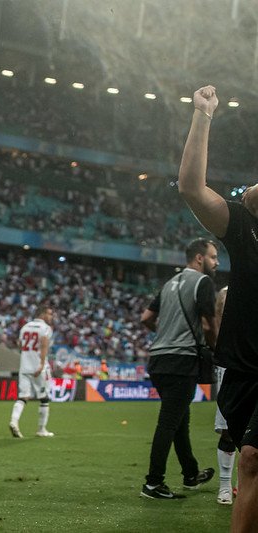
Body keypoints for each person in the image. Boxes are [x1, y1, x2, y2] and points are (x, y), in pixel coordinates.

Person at [180, 86, 258, 530]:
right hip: (243, 367)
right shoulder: (244, 224)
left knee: (250, 458)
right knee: (251, 465)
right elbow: (191, 188)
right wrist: (202, 115)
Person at [138, 238, 218, 500]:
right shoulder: (202, 282)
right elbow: (208, 326)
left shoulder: (170, 284)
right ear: (199, 258)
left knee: (179, 420)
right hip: (182, 360)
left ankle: (190, 474)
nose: (216, 262)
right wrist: (217, 350)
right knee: (169, 423)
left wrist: (165, 336)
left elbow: (146, 318)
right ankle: (153, 483)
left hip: (159, 359)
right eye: (213, 257)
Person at [9, 305, 55, 439]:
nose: (51, 317)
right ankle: (41, 429)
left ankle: (14, 421)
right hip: (39, 368)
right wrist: (41, 364)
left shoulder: (25, 327)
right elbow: (44, 344)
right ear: (42, 314)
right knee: (44, 398)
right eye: (49, 314)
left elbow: (20, 344)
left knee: (23, 397)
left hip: (24, 366)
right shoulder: (45, 328)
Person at [212, 286, 237, 506]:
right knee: (228, 430)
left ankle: (245, 483)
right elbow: (217, 325)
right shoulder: (227, 292)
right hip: (231, 365)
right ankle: (225, 485)